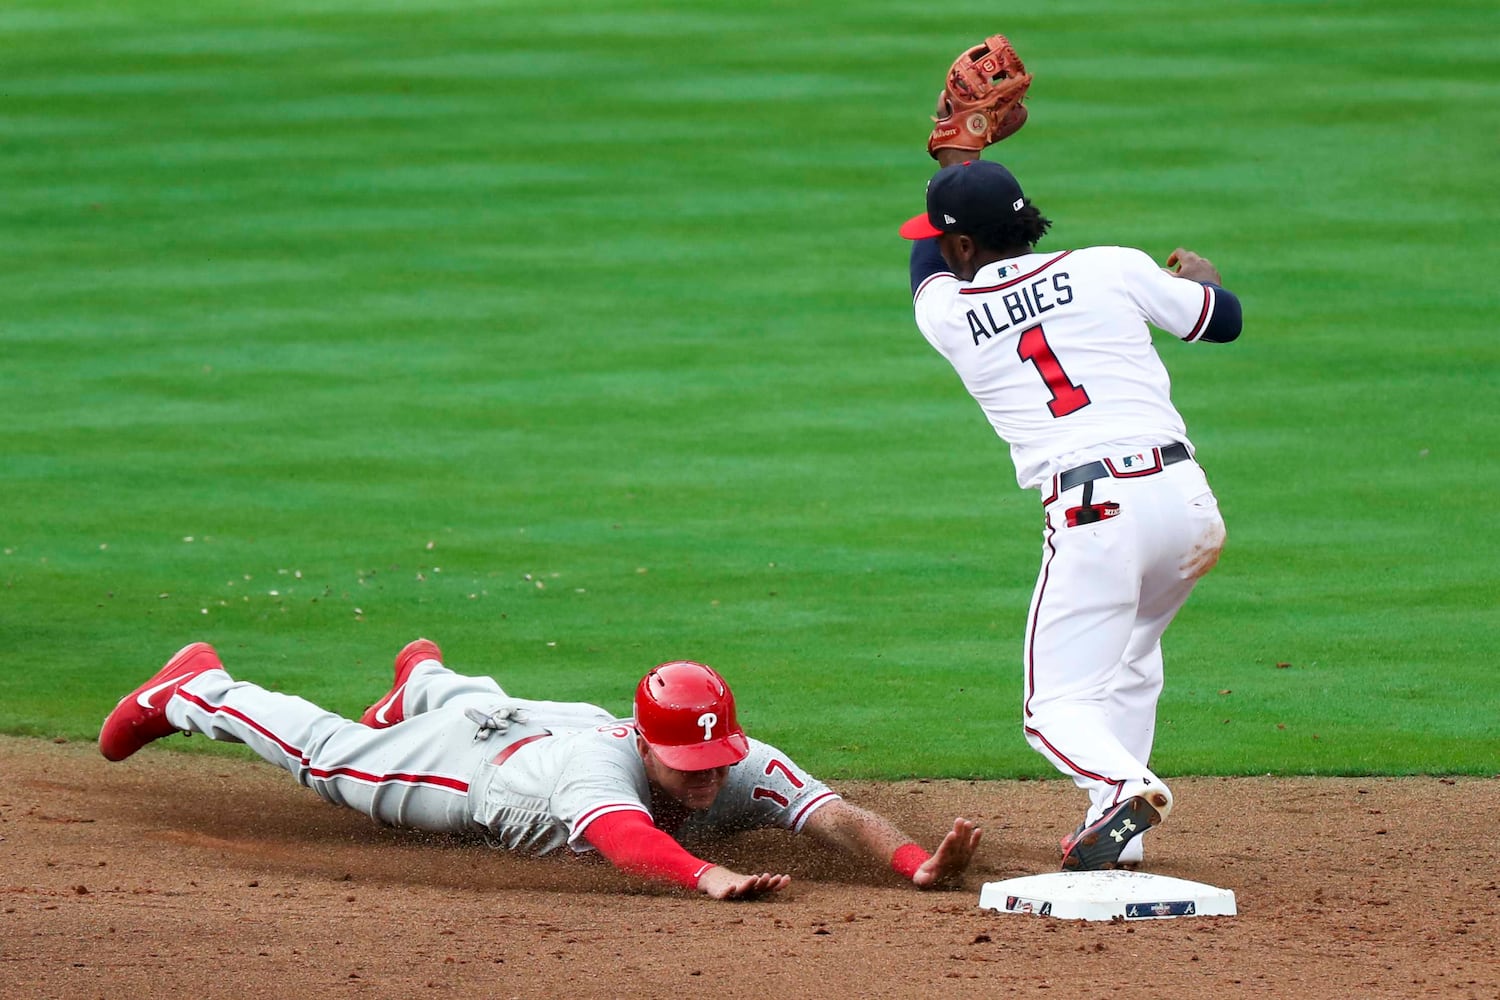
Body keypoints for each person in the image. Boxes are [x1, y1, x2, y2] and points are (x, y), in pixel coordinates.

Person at [898, 149, 1242, 870]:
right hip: (1189, 507)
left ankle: (1125, 788)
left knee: (1052, 708)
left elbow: (925, 267)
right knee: (1131, 657)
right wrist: (1197, 280)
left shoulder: (950, 314)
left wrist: (957, 152)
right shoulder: (1109, 265)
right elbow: (1224, 320)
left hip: (1097, 514)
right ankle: (1119, 837)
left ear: (962, 244)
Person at [99, 639, 981, 899]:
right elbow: (627, 839)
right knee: (326, 759)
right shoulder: (599, 772)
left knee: (500, 701)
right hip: (481, 769)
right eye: (687, 765)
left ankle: (426, 681)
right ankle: (198, 688)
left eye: (716, 758)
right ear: (646, 746)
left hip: (542, 723)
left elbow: (834, 815)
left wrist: (913, 863)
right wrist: (710, 877)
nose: (710, 777)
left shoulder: (737, 758)